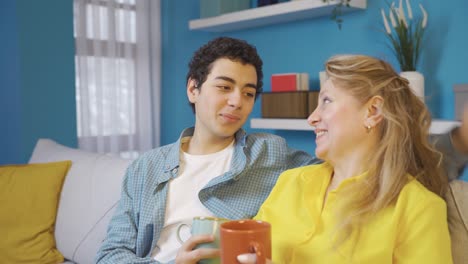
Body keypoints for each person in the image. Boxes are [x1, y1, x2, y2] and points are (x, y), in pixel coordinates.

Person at [96, 37, 467, 264]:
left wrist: (458, 142)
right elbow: (110, 256)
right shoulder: (145, 168)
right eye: (224, 87)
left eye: (248, 93)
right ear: (193, 89)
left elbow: (380, 158)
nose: (236, 102)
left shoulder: (274, 157)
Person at [239, 54, 456, 264]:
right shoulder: (290, 182)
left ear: (373, 111)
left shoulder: (418, 208)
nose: (312, 118)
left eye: (326, 101)